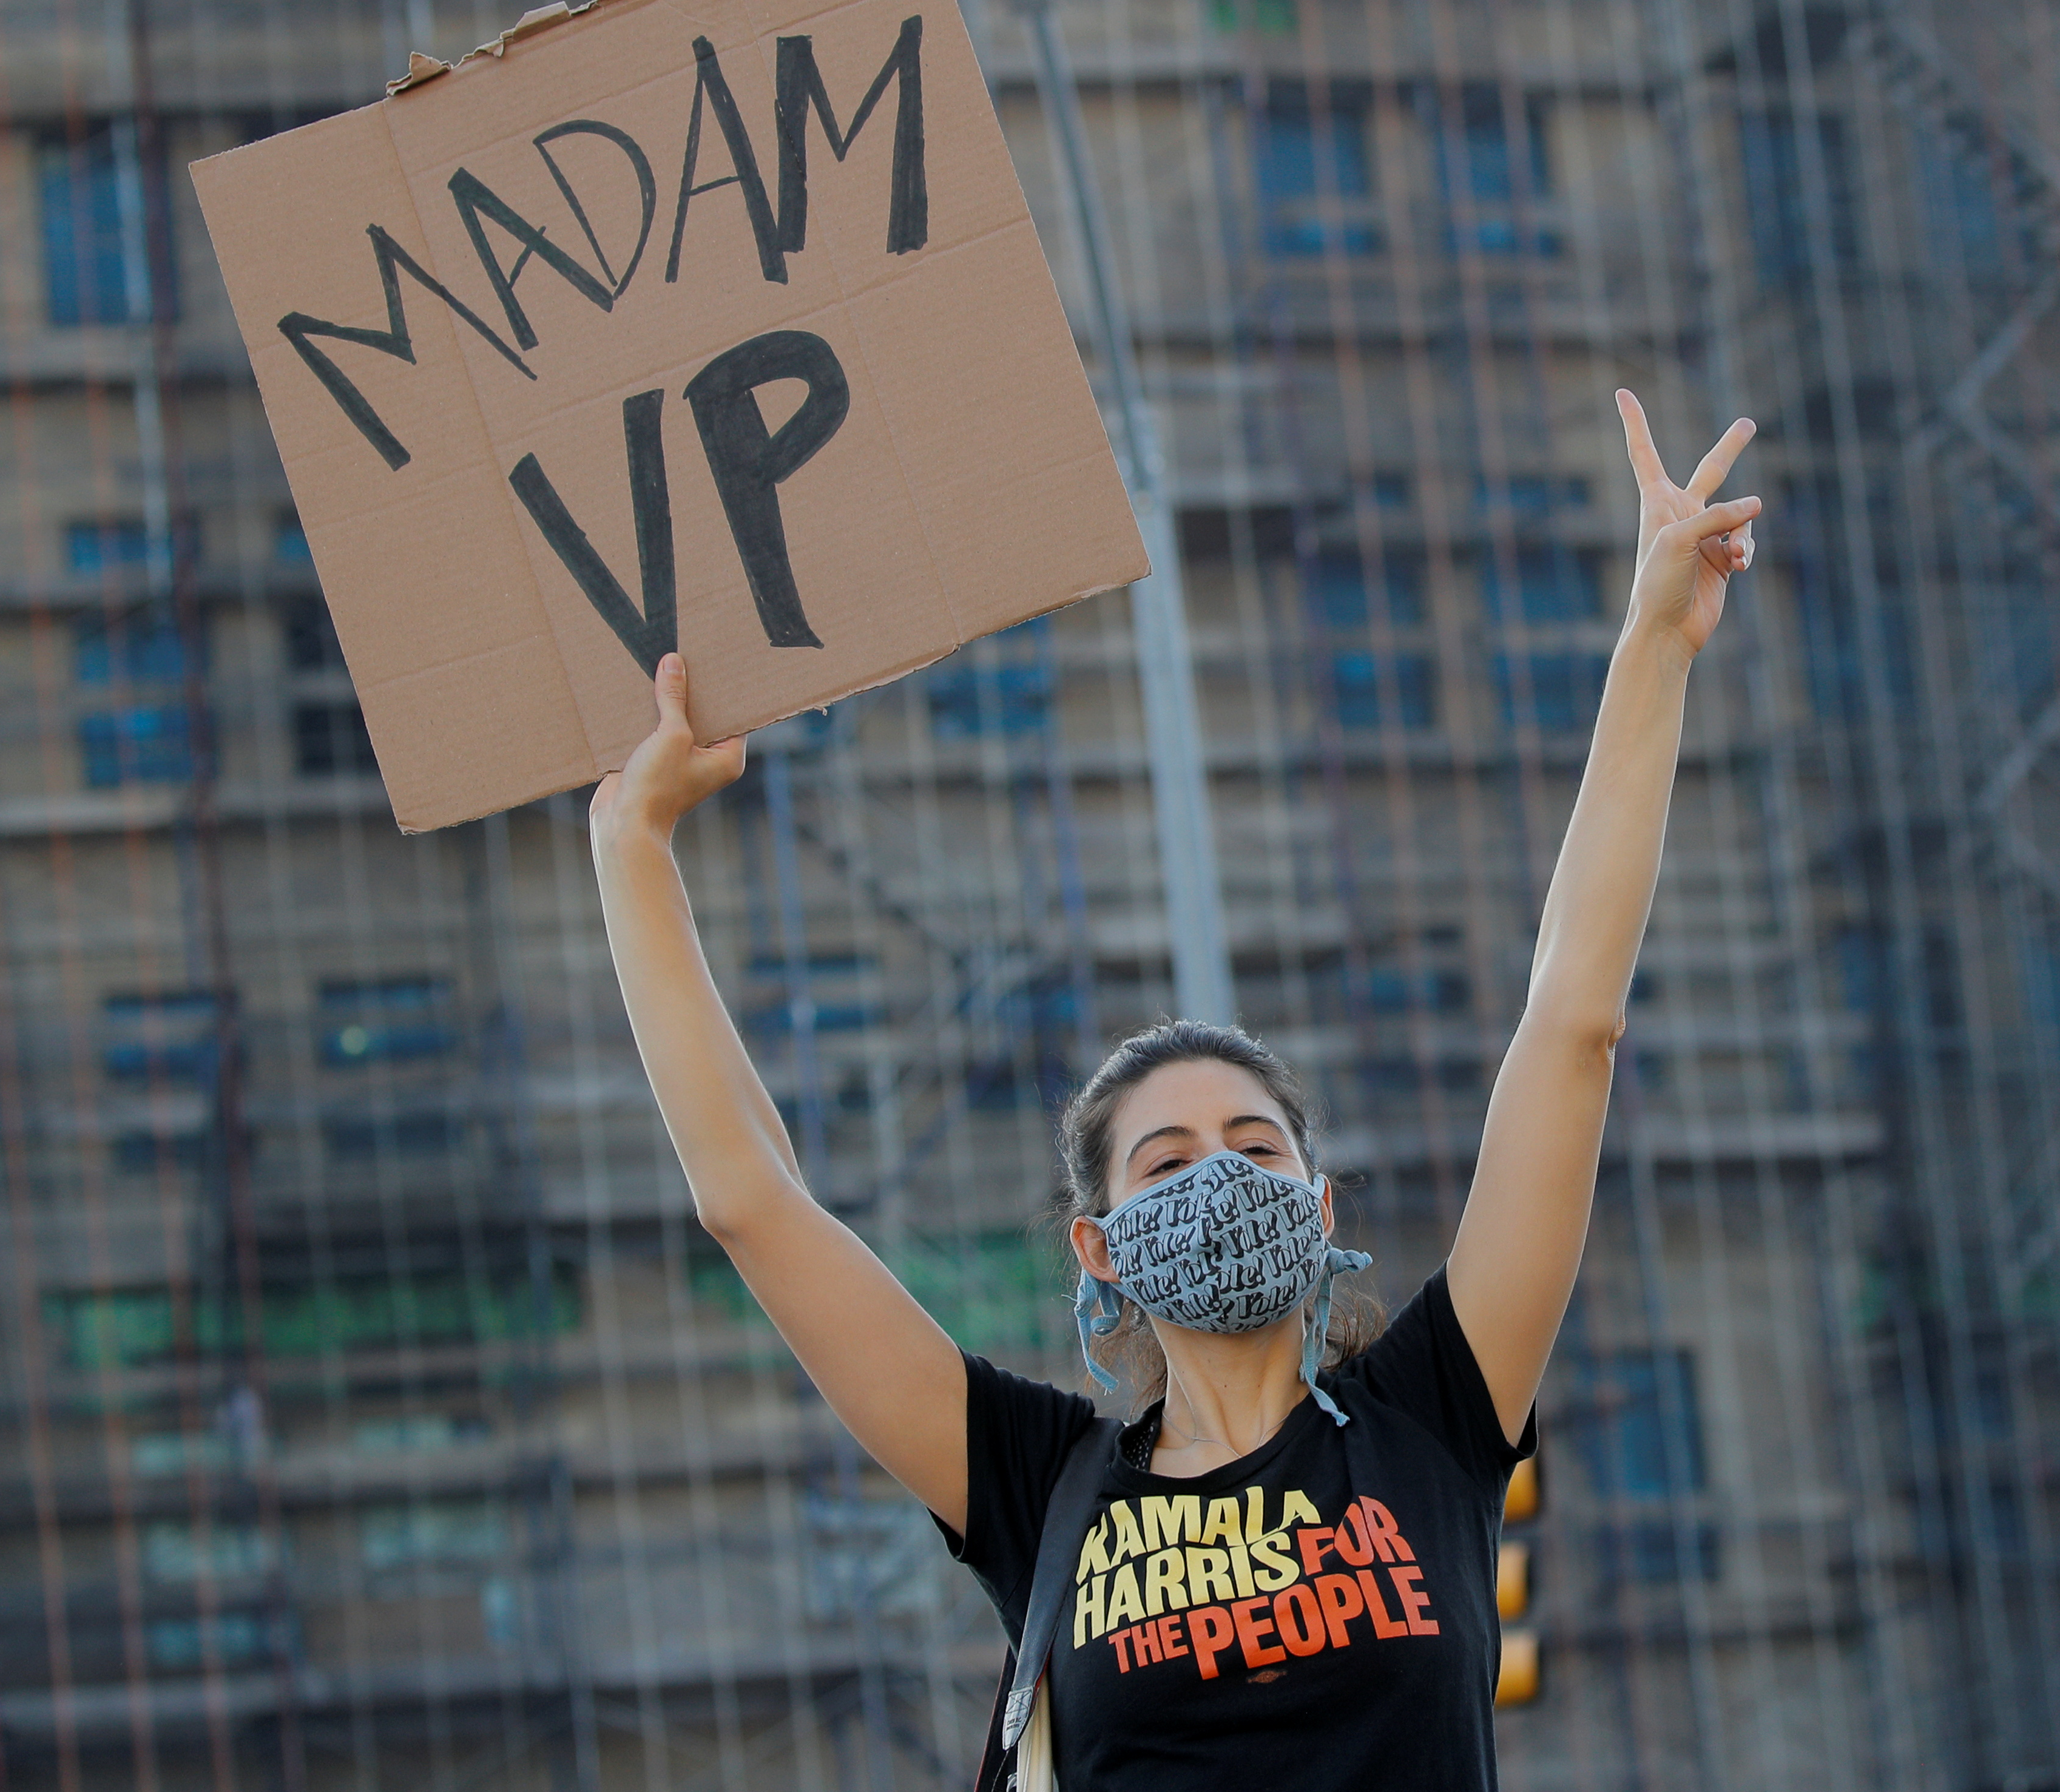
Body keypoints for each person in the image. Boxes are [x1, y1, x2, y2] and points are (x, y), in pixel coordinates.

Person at [590, 392, 1760, 1790]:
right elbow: (751, 1205)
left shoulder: (1435, 1410)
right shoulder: (1032, 1483)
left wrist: (1651, 643)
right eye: (1165, 1159)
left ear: (1318, 1204)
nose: (1217, 1171)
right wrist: (632, 846)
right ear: (1096, 1244)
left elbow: (1571, 1022)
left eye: (1253, 1143)